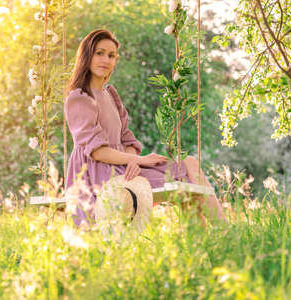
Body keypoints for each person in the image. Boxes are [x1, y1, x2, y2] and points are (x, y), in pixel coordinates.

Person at [65, 29, 227, 226]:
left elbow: (126, 138)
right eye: (99, 53)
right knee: (186, 180)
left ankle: (214, 240)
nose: (106, 60)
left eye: (111, 56)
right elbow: (97, 152)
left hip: (122, 165)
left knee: (189, 169)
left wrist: (133, 162)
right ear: (87, 56)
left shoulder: (110, 96)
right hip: (97, 172)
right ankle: (225, 236)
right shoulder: (79, 98)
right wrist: (137, 159)